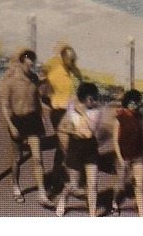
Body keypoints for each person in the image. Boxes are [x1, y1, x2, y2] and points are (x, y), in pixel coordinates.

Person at [0, 49, 52, 206]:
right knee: (17, 158)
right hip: (17, 121)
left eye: (32, 64)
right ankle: (16, 186)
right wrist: (10, 125)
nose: (31, 67)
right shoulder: (9, 81)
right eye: (28, 64)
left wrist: (43, 120)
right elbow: (4, 106)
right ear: (21, 63)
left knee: (38, 158)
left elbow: (38, 100)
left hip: (33, 120)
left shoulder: (34, 79)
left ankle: (42, 193)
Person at [55, 82, 104, 216]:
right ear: (86, 98)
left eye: (95, 97)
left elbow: (89, 132)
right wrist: (70, 135)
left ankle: (92, 215)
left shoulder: (97, 110)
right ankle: (63, 198)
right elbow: (61, 128)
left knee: (93, 184)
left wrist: (83, 114)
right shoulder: (72, 108)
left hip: (90, 148)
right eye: (92, 98)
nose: (95, 100)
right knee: (74, 185)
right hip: (75, 147)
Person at [40, 44, 83, 193]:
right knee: (65, 147)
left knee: (64, 146)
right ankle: (68, 180)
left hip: (71, 113)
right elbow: (43, 82)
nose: (73, 63)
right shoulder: (55, 69)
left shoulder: (76, 74)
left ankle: (57, 176)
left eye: (74, 60)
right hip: (58, 113)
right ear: (64, 59)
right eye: (70, 60)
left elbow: (79, 95)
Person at [113, 90, 143, 217]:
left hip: (137, 156)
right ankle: (114, 202)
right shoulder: (120, 116)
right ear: (127, 102)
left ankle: (141, 213)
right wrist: (120, 158)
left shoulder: (139, 116)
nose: (134, 105)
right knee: (121, 183)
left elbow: (142, 135)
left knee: (139, 184)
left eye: (136, 102)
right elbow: (115, 141)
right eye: (131, 102)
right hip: (124, 156)